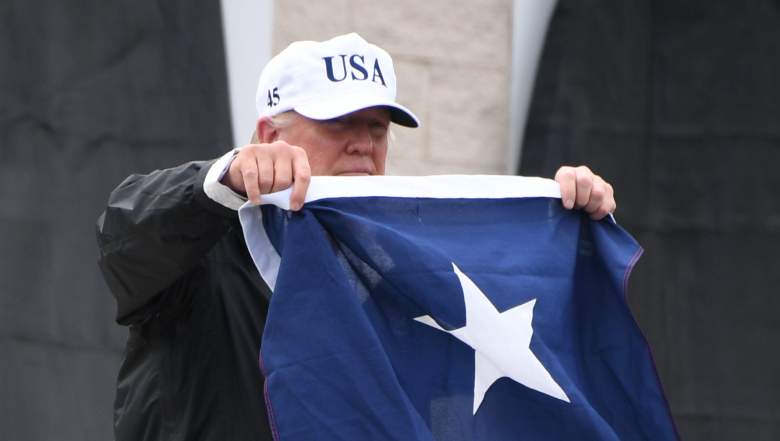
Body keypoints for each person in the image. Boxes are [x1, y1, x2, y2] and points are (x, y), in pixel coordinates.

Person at [97, 33, 616, 441]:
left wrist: (563, 225)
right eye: (340, 122)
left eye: (378, 127)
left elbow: (459, 403)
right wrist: (221, 178)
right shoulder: (201, 243)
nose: (363, 145)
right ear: (269, 136)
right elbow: (125, 236)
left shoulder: (397, 269)